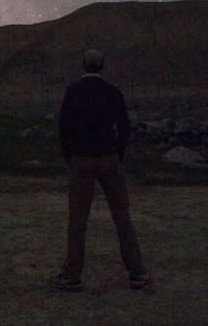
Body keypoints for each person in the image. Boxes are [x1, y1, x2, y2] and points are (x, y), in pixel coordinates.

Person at [51, 49, 151, 292]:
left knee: (78, 220)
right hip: (109, 159)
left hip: (81, 160)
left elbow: (64, 126)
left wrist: (70, 155)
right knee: (122, 217)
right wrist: (117, 153)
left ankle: (72, 275)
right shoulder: (112, 92)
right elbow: (124, 127)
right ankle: (137, 273)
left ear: (83, 65)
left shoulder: (73, 92)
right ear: (102, 66)